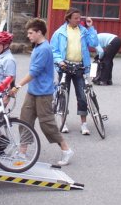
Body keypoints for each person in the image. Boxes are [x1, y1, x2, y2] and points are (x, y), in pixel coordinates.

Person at [12, 18, 74, 166]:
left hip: (44, 93)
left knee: (47, 124)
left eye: (31, 33)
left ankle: (66, 149)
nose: (28, 36)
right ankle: (22, 152)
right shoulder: (38, 47)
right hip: (33, 91)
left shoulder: (45, 49)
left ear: (39, 32)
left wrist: (17, 86)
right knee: (25, 120)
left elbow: (34, 72)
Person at [50, 8, 99, 135]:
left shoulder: (83, 30)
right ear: (68, 18)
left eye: (80, 18)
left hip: (80, 67)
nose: (79, 20)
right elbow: (53, 50)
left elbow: (94, 42)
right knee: (62, 96)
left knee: (82, 96)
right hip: (64, 67)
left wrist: (91, 28)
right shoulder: (59, 33)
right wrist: (59, 60)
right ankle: (63, 121)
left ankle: (84, 124)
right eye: (76, 18)